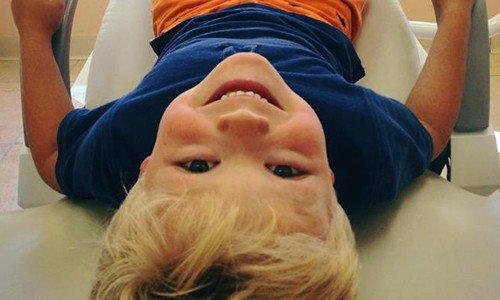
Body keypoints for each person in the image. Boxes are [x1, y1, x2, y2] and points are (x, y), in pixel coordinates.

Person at [12, 0, 475, 298]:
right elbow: (428, 124)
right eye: (285, 171)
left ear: (144, 171)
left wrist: (32, 31)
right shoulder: (361, 141)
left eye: (198, 164)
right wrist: (454, 14)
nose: (243, 124)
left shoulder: (133, 132)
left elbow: (53, 154)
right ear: (333, 187)